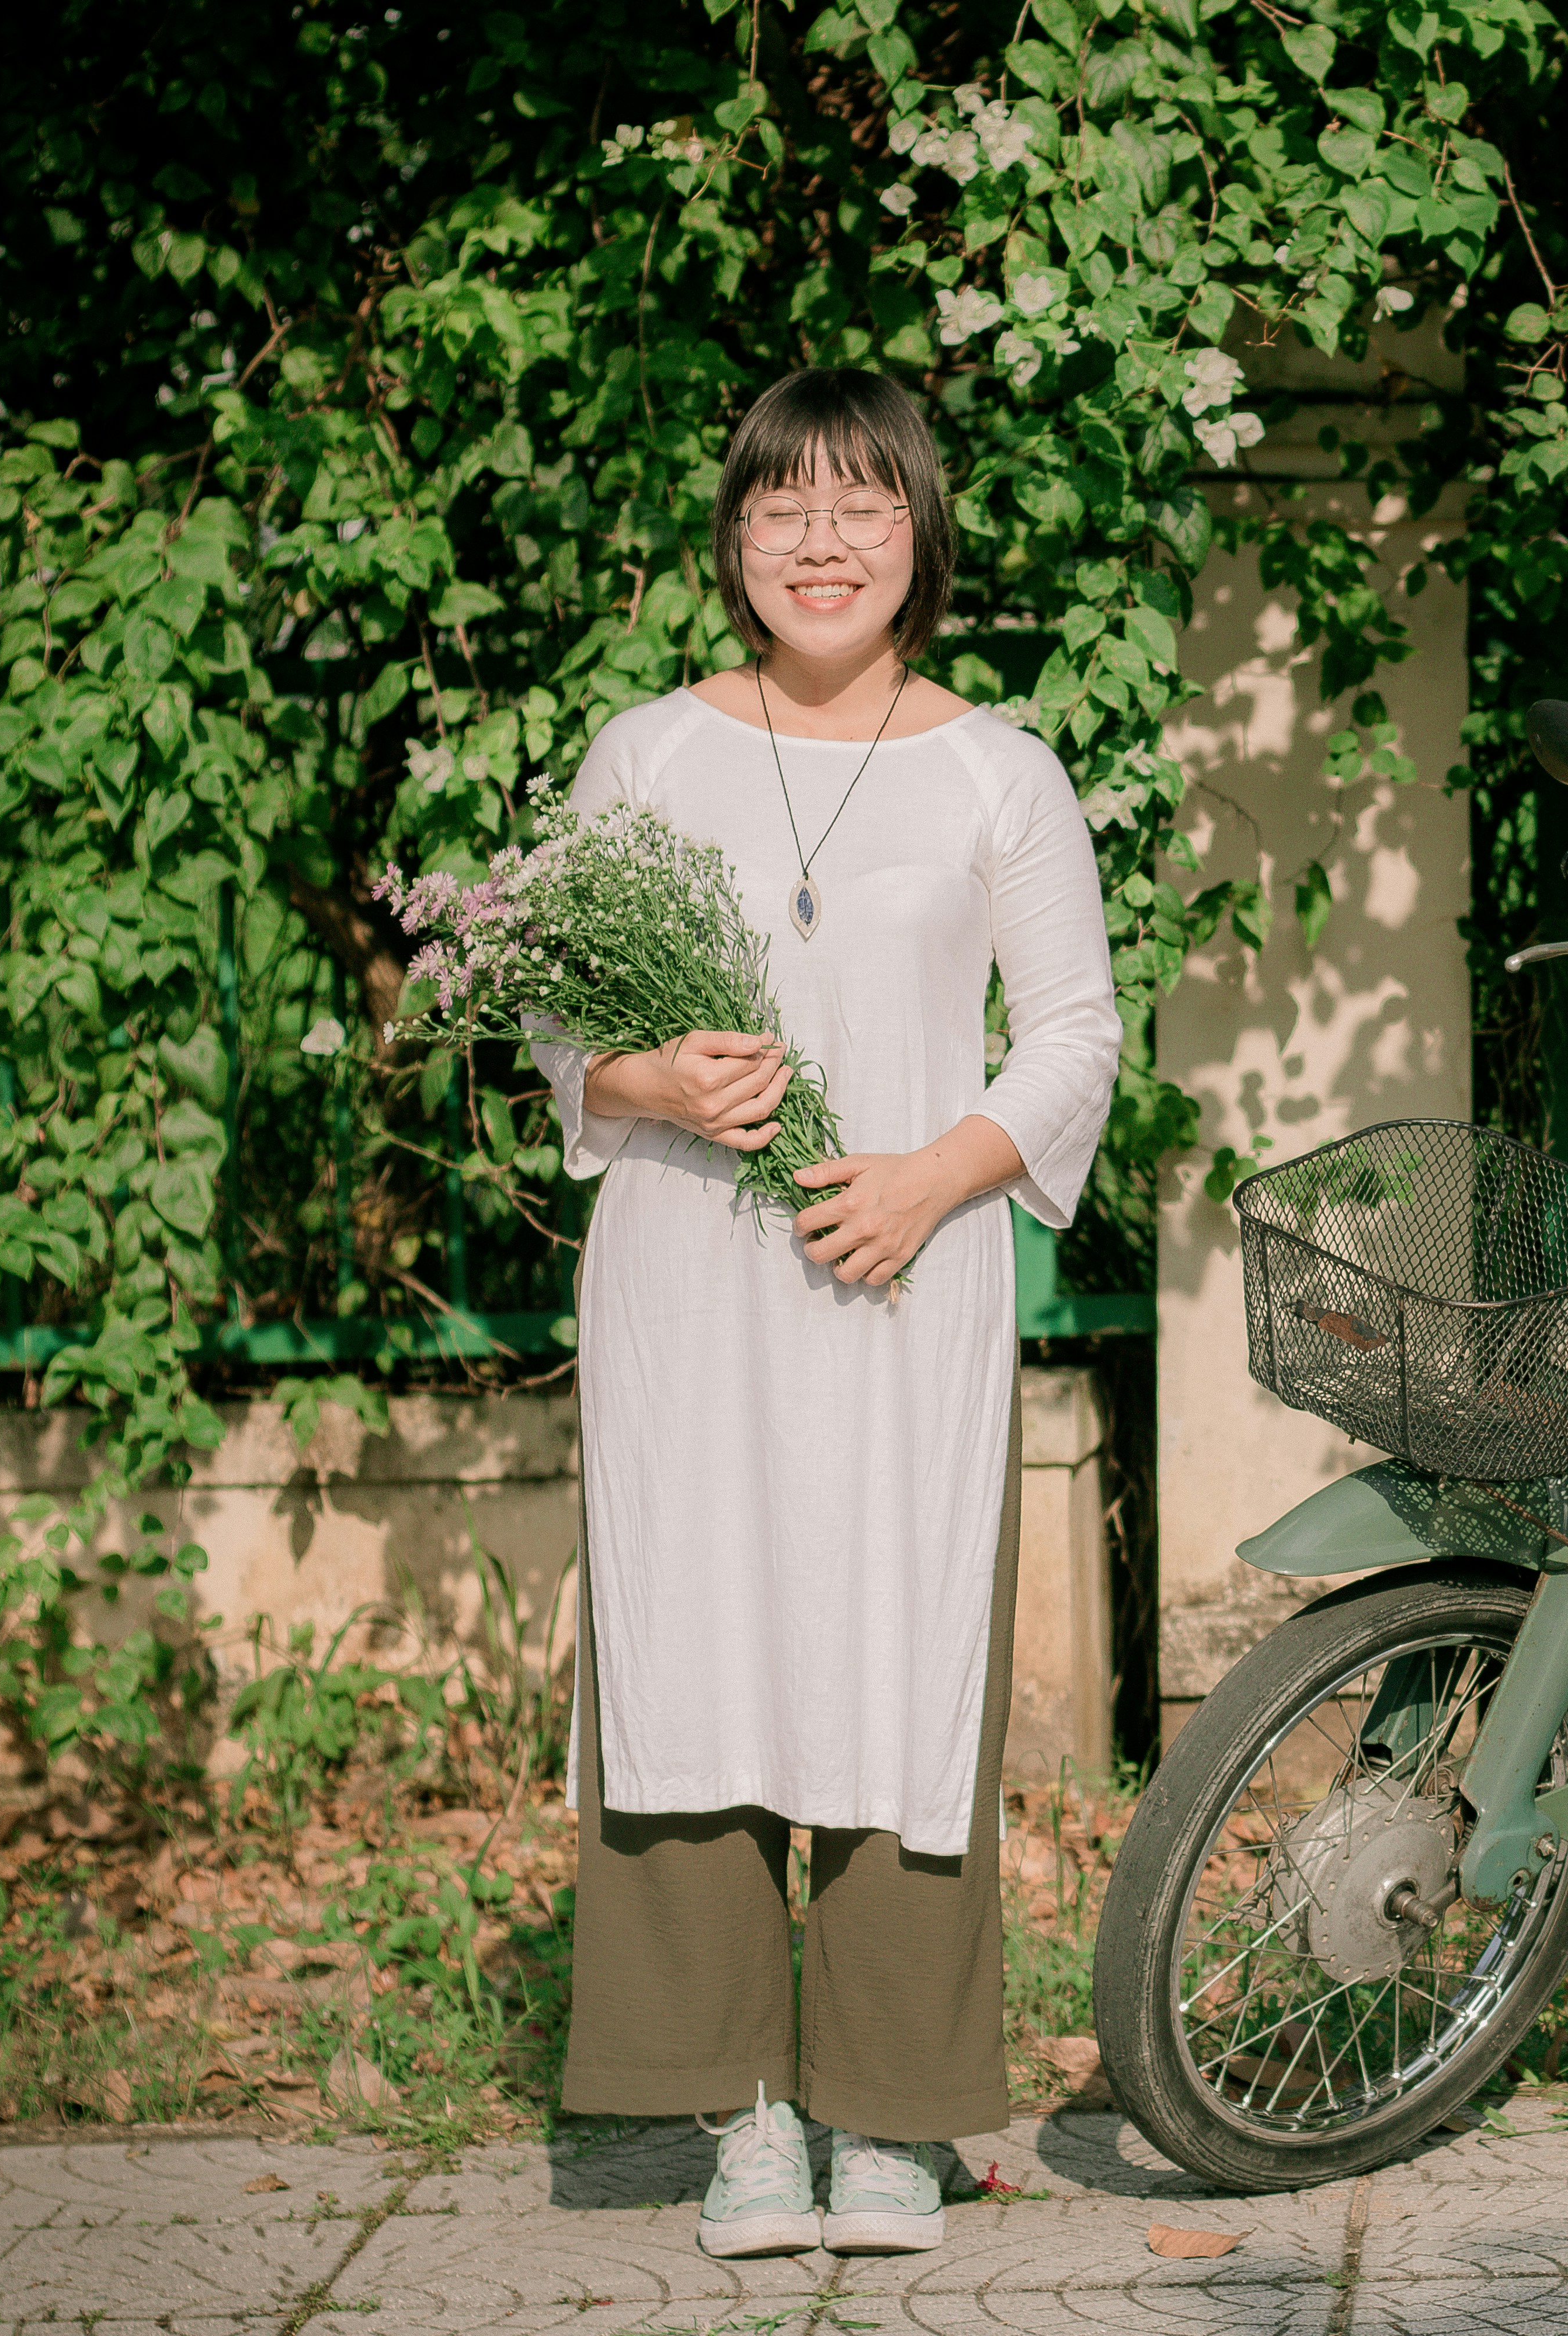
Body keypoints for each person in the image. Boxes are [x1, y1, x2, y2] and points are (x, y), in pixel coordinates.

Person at [528, 369, 1121, 2259]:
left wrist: (937, 1177)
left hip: (900, 1290)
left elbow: (1080, 1035)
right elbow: (549, 1017)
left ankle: (892, 2120)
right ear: (735, 536)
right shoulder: (643, 753)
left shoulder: (994, 771)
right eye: (785, 505)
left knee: (889, 1651)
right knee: (701, 1650)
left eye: (864, 503)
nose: (822, 540)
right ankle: (742, 2112)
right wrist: (642, 1083)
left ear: (919, 537)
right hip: (686, 1293)